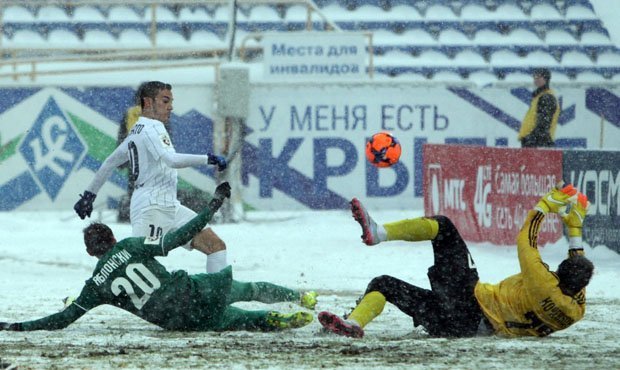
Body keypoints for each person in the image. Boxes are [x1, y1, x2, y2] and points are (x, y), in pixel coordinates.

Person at [0, 183, 314, 332]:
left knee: (239, 320)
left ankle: (274, 320)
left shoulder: (95, 285)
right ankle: (301, 298)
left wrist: (14, 325)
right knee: (246, 289)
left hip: (178, 322)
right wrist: (210, 207)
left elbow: (61, 320)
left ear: (90, 251)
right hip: (193, 291)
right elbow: (177, 238)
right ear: (112, 237)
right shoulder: (134, 245)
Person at [318, 182, 593, 338]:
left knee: (445, 228)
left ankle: (379, 233)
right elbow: (577, 277)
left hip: (471, 304)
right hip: (458, 327)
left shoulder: (542, 282)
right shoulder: (574, 311)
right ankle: (353, 325)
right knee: (383, 284)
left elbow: (526, 240)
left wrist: (545, 205)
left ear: (556, 276)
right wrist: (575, 231)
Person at [74, 81, 230, 274]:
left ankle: (216, 299)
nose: (171, 106)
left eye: (171, 101)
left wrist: (89, 195)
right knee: (136, 265)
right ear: (148, 102)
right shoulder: (152, 128)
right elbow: (171, 160)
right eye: (165, 101)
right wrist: (209, 158)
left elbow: (109, 162)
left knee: (216, 246)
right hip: (151, 207)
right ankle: (97, 294)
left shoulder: (137, 130)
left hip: (169, 205)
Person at [518, 68, 560, 148]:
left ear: (546, 79)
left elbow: (544, 124)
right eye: (534, 77)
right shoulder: (539, 96)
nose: (535, 80)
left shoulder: (546, 97)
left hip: (539, 143)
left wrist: (531, 138)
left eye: (538, 77)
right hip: (536, 141)